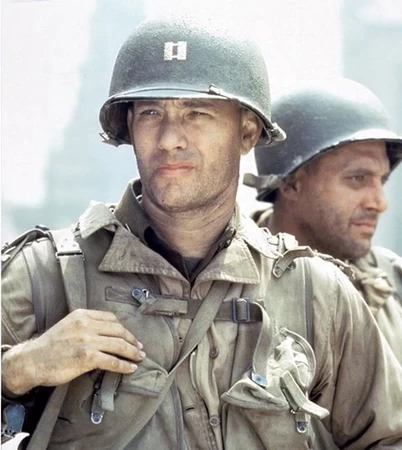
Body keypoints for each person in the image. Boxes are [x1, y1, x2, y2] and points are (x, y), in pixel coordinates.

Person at [2, 17, 402, 450]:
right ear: (129, 126)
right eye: (151, 112)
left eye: (197, 113)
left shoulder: (316, 292)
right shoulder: (45, 276)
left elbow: (387, 437)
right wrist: (17, 371)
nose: (170, 138)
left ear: (247, 132)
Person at [245, 77, 402, 363]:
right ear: (291, 184)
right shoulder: (228, 285)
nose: (379, 203)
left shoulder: (393, 281)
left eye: (381, 181)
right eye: (357, 178)